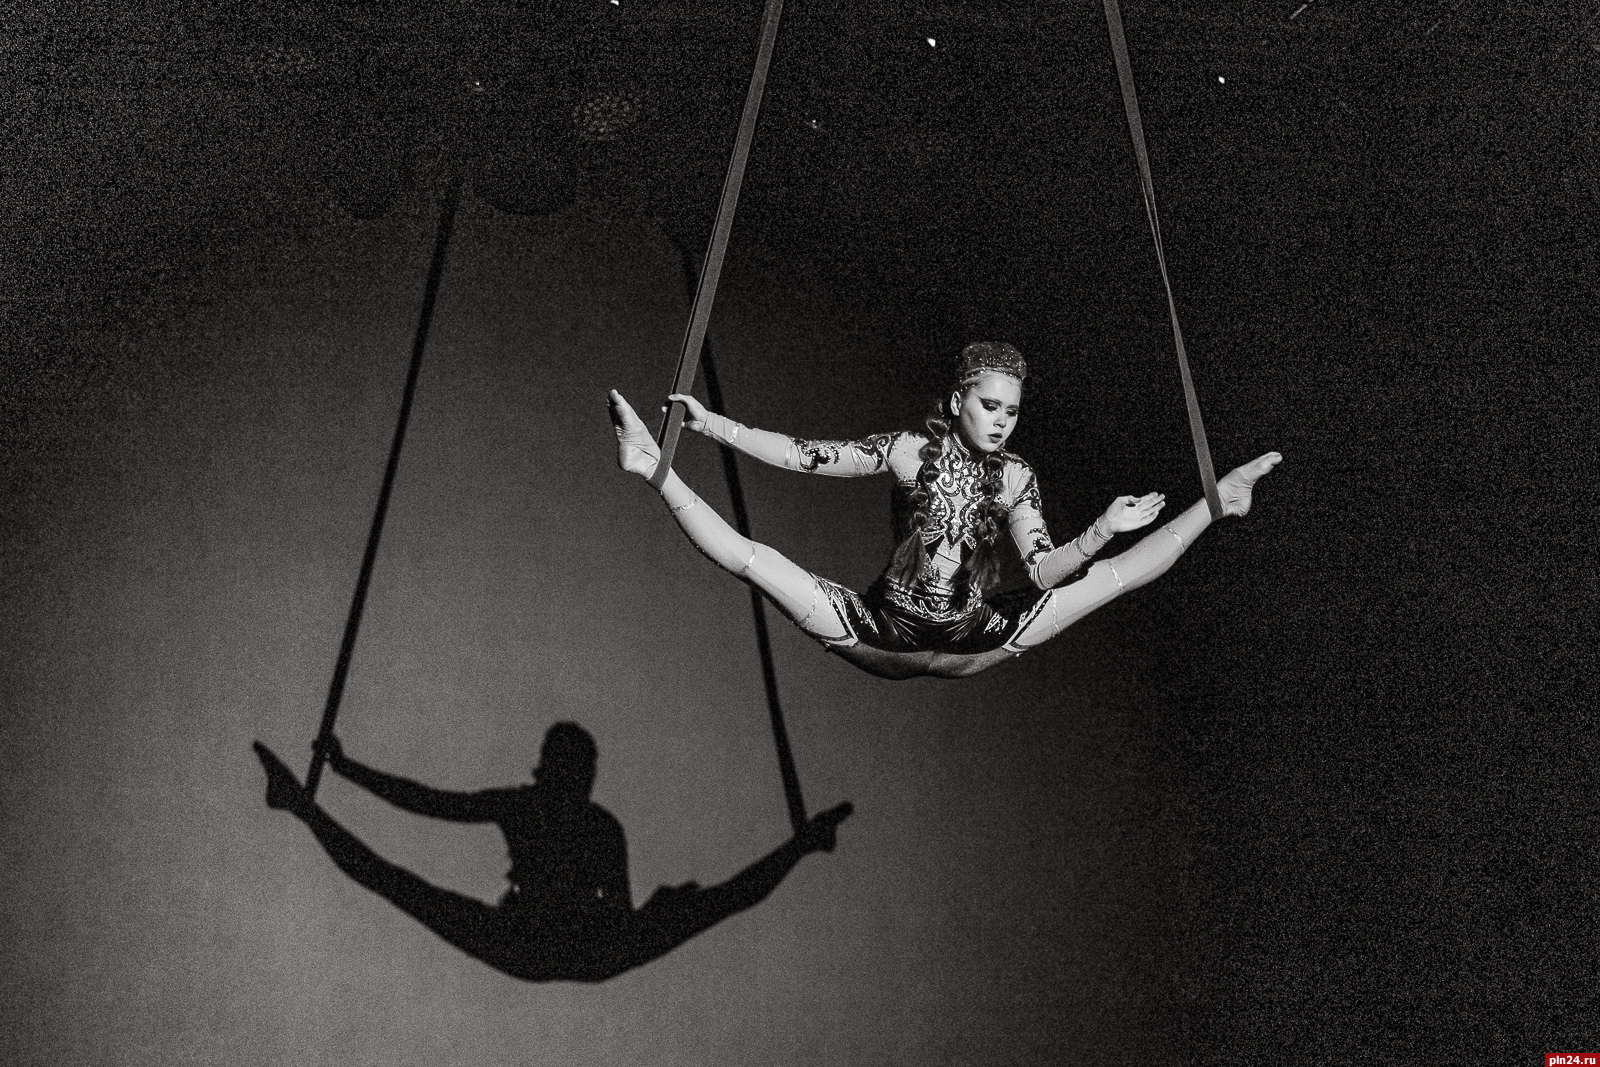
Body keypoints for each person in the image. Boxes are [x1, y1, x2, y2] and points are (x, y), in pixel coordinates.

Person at [607, 341, 1281, 680]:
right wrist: (710, 425)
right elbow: (803, 455)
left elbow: (1043, 572)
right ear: (958, 401)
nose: (1002, 422)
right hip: (881, 633)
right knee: (756, 560)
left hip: (975, 638)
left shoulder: (1015, 476)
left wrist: (1102, 530)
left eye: (1012, 411)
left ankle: (1219, 500)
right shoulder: (905, 452)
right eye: (989, 406)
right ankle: (652, 466)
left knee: (1111, 578)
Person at [251, 723, 851, 983]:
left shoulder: (580, 820)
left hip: (555, 942)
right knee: (399, 884)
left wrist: (347, 771)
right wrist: (347, 770)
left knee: (399, 885)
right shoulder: (548, 810)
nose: (580, 782)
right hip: (550, 941)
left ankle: (300, 807)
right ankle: (299, 806)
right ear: (564, 771)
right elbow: (428, 803)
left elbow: (428, 804)